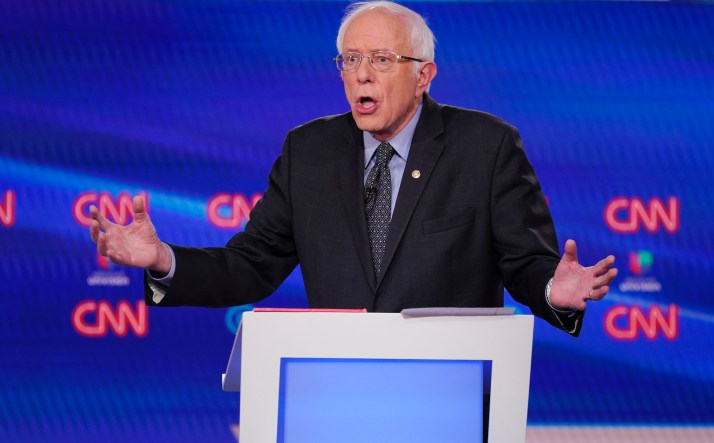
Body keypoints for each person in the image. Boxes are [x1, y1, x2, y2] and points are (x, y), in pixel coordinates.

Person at [89, 1, 617, 336]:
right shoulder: (308, 151)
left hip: (449, 385)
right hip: (335, 387)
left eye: (382, 59)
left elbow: (525, 262)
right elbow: (250, 265)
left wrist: (552, 291)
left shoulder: (486, 146)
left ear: (423, 76)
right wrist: (163, 260)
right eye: (350, 59)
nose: (362, 74)